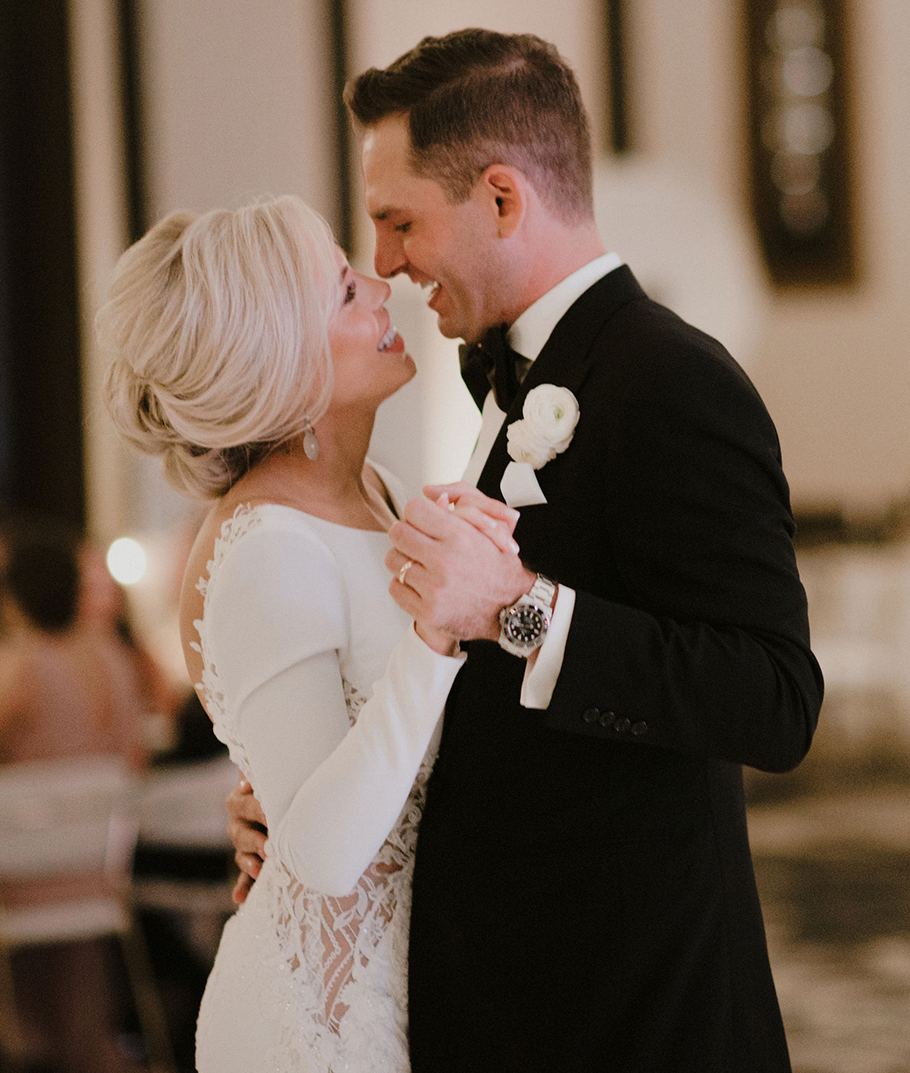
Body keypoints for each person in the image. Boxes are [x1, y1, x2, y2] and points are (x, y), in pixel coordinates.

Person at [229, 28, 824, 1072]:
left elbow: (773, 697)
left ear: (501, 198)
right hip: (518, 996)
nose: (386, 263)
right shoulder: (502, 375)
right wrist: (308, 788)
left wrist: (520, 604)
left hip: (636, 1011)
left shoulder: (673, 381)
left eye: (398, 220)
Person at [96, 194, 517, 1072]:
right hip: (317, 1026)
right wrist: (435, 638)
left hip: (424, 989)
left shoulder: (385, 494)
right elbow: (323, 851)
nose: (380, 284)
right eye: (341, 293)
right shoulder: (266, 550)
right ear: (281, 363)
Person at [0, 522, 149, 1073]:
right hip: (99, 872)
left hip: (24, 876)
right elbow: (137, 757)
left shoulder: (21, 667)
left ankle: (29, 1043)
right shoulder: (113, 657)